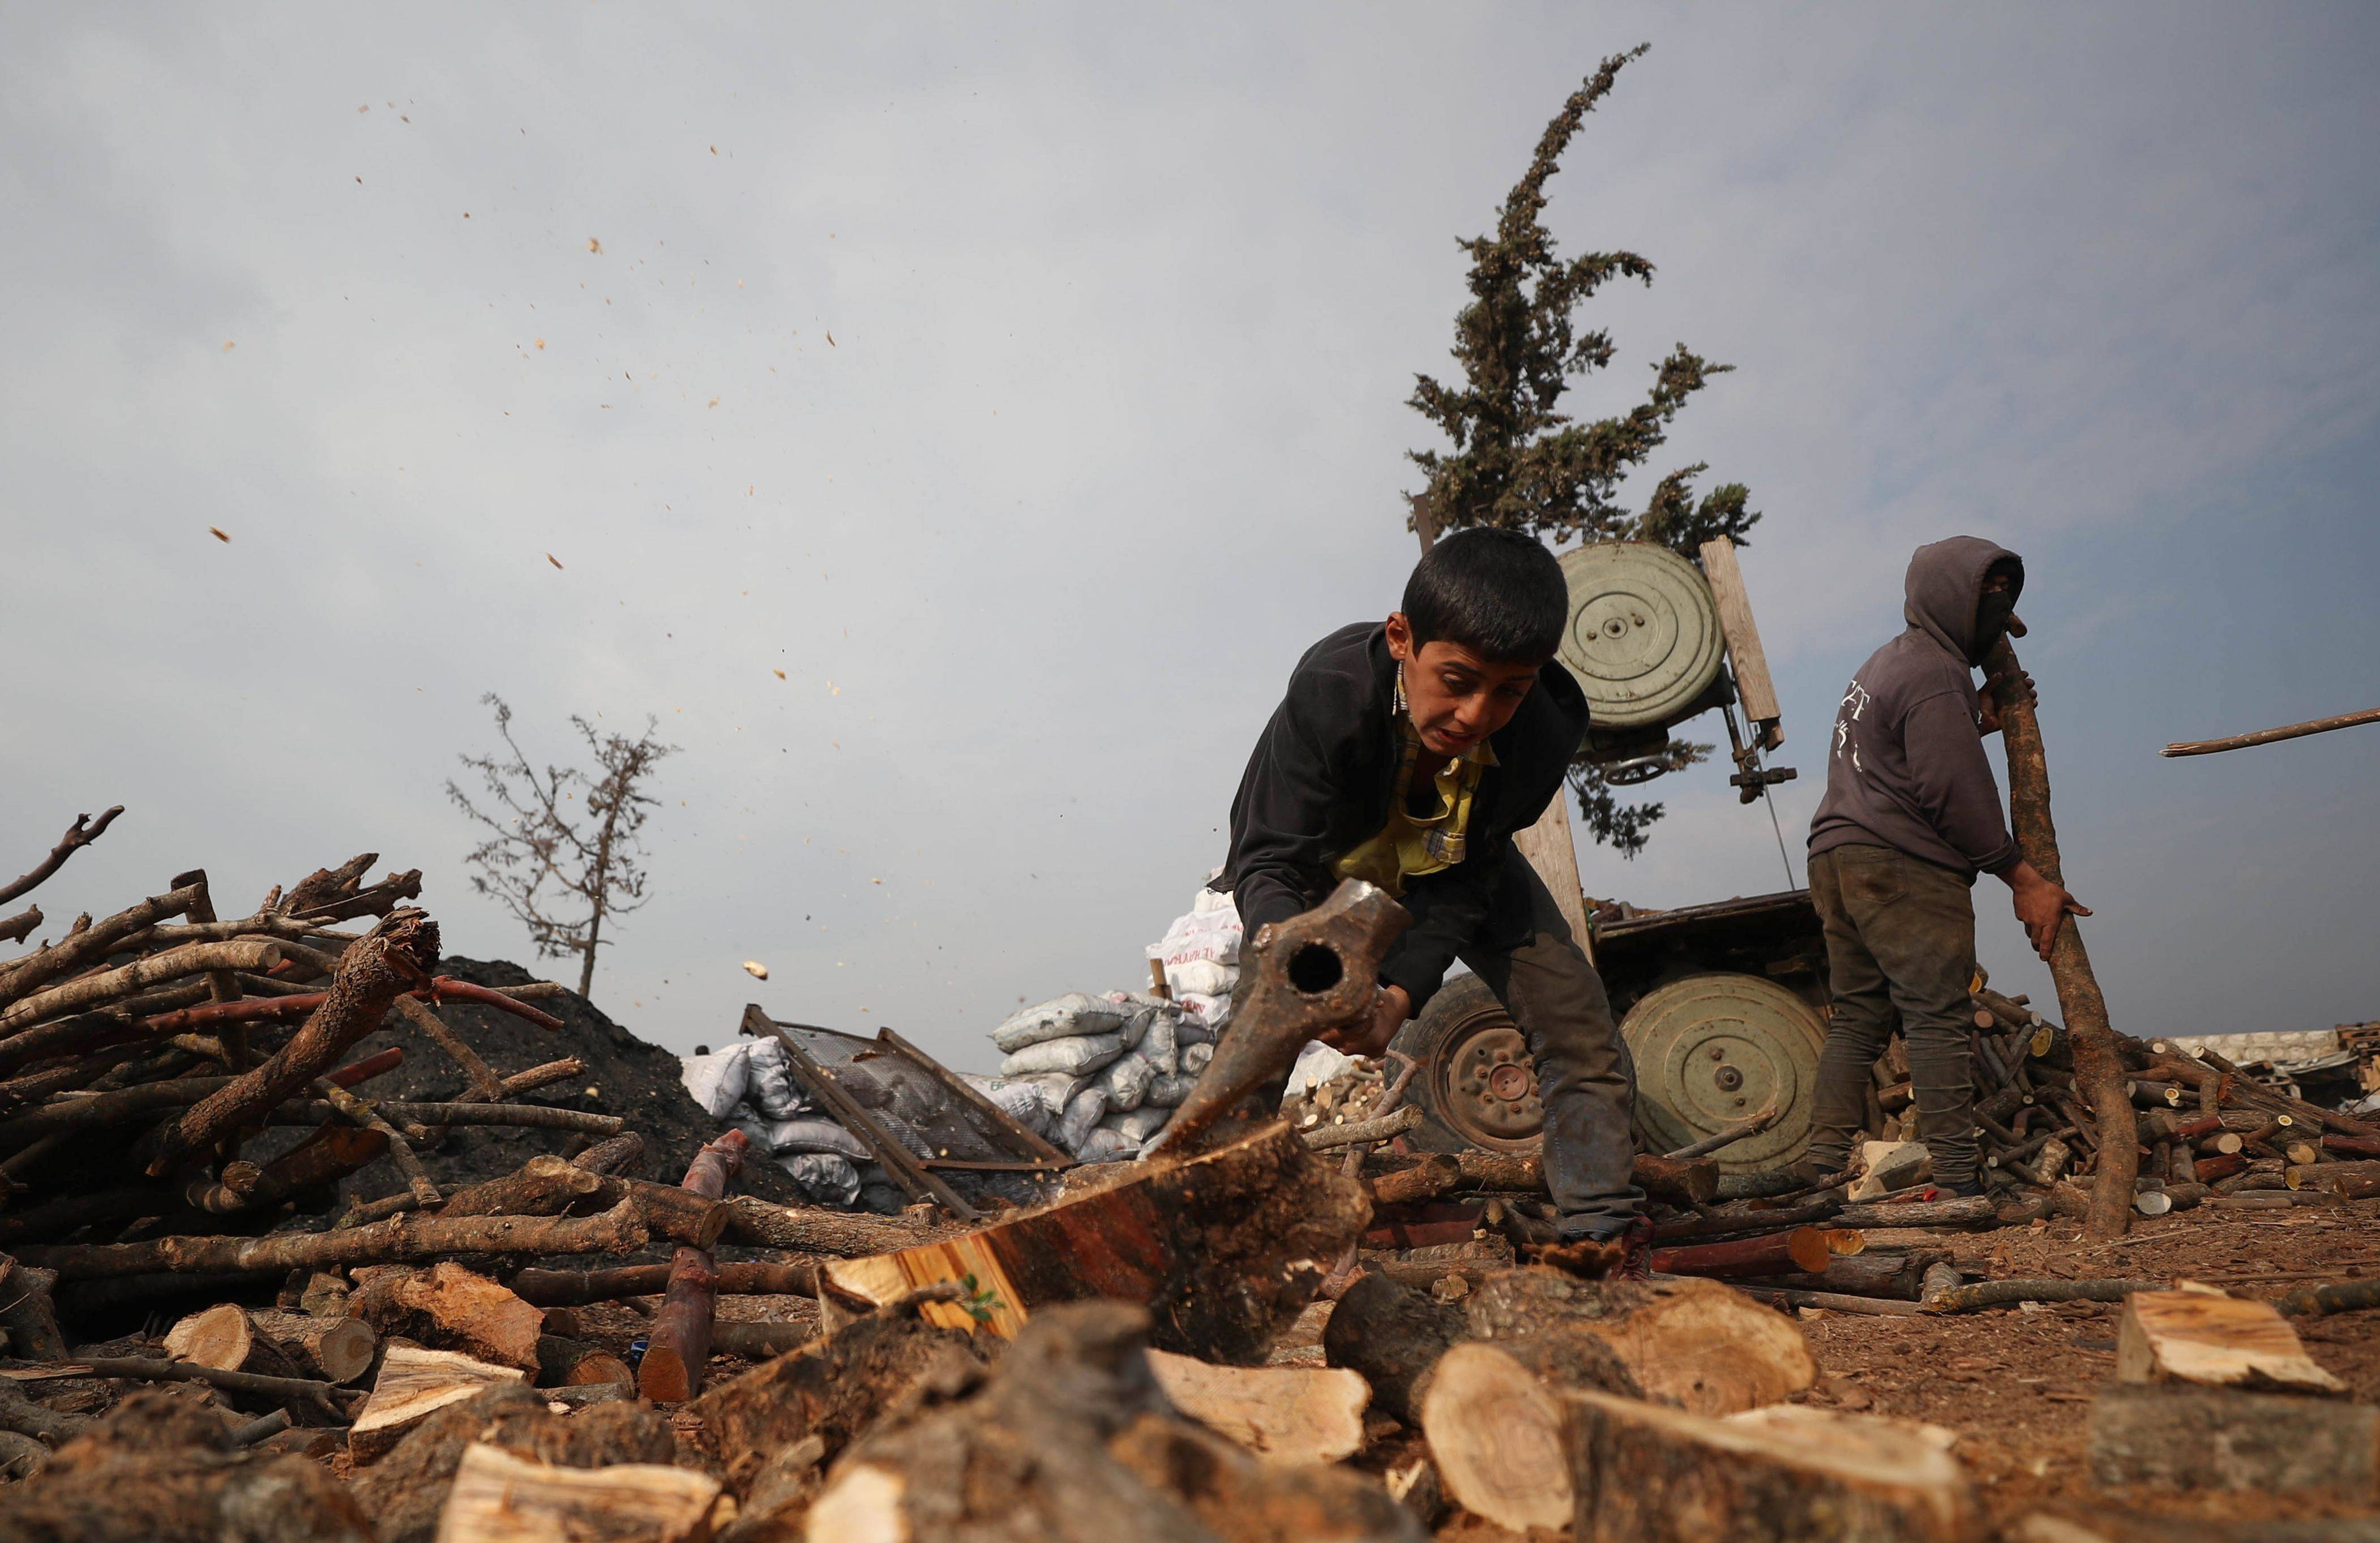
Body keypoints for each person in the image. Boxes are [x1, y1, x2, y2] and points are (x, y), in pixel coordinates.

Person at [1221, 528, 1644, 1260]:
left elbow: (1468, 879)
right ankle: (1222, 1226)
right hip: (1329, 861)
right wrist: (1303, 972)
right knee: (1256, 1039)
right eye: (1456, 680)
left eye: (1507, 690)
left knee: (1577, 1026)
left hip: (1455, 864)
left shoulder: (1543, 729)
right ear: (1400, 638)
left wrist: (1399, 995)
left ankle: (1601, 1234)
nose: (1477, 715)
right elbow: (1269, 857)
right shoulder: (1331, 693)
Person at [1799, 535, 2088, 1194]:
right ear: (1949, 600)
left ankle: (1818, 1171)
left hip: (1838, 857)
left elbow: (1901, 759)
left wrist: (1972, 718)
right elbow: (1952, 792)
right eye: (1987, 597)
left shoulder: (1888, 664)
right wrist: (2024, 877)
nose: (1996, 612)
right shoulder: (1934, 672)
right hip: (1900, 863)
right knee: (1936, 1015)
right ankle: (1959, 1182)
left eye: (2005, 601)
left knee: (1859, 1017)